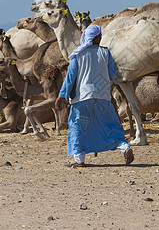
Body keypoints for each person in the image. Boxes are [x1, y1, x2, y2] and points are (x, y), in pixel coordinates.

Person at [55, 24, 134, 167]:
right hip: (103, 97)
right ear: (97, 38)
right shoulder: (105, 53)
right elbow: (114, 75)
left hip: (82, 98)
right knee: (110, 125)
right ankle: (124, 147)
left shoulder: (77, 55)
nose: (101, 38)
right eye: (100, 36)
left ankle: (79, 159)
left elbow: (70, 78)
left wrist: (62, 95)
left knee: (77, 127)